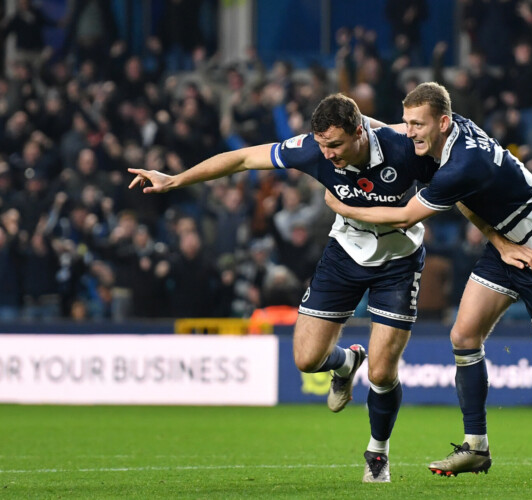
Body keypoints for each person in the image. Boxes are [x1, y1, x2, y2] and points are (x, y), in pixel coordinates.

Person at [324, 82, 532, 476]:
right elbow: (395, 133)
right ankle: (476, 446)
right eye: (407, 122)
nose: (409, 133)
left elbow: (405, 216)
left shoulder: (463, 163)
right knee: (463, 337)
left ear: (442, 122)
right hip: (506, 244)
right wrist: (358, 122)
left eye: (417, 125)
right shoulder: (450, 133)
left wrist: (343, 206)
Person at [129, 94, 447, 483]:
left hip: (398, 262)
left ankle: (377, 452)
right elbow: (242, 159)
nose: (327, 155)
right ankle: (345, 363)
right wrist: (176, 179)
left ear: (359, 131)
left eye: (336, 145)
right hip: (345, 254)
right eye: (323, 145)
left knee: (382, 373)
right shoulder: (311, 149)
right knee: (307, 359)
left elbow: (460, 181)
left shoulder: (404, 148)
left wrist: (499, 238)